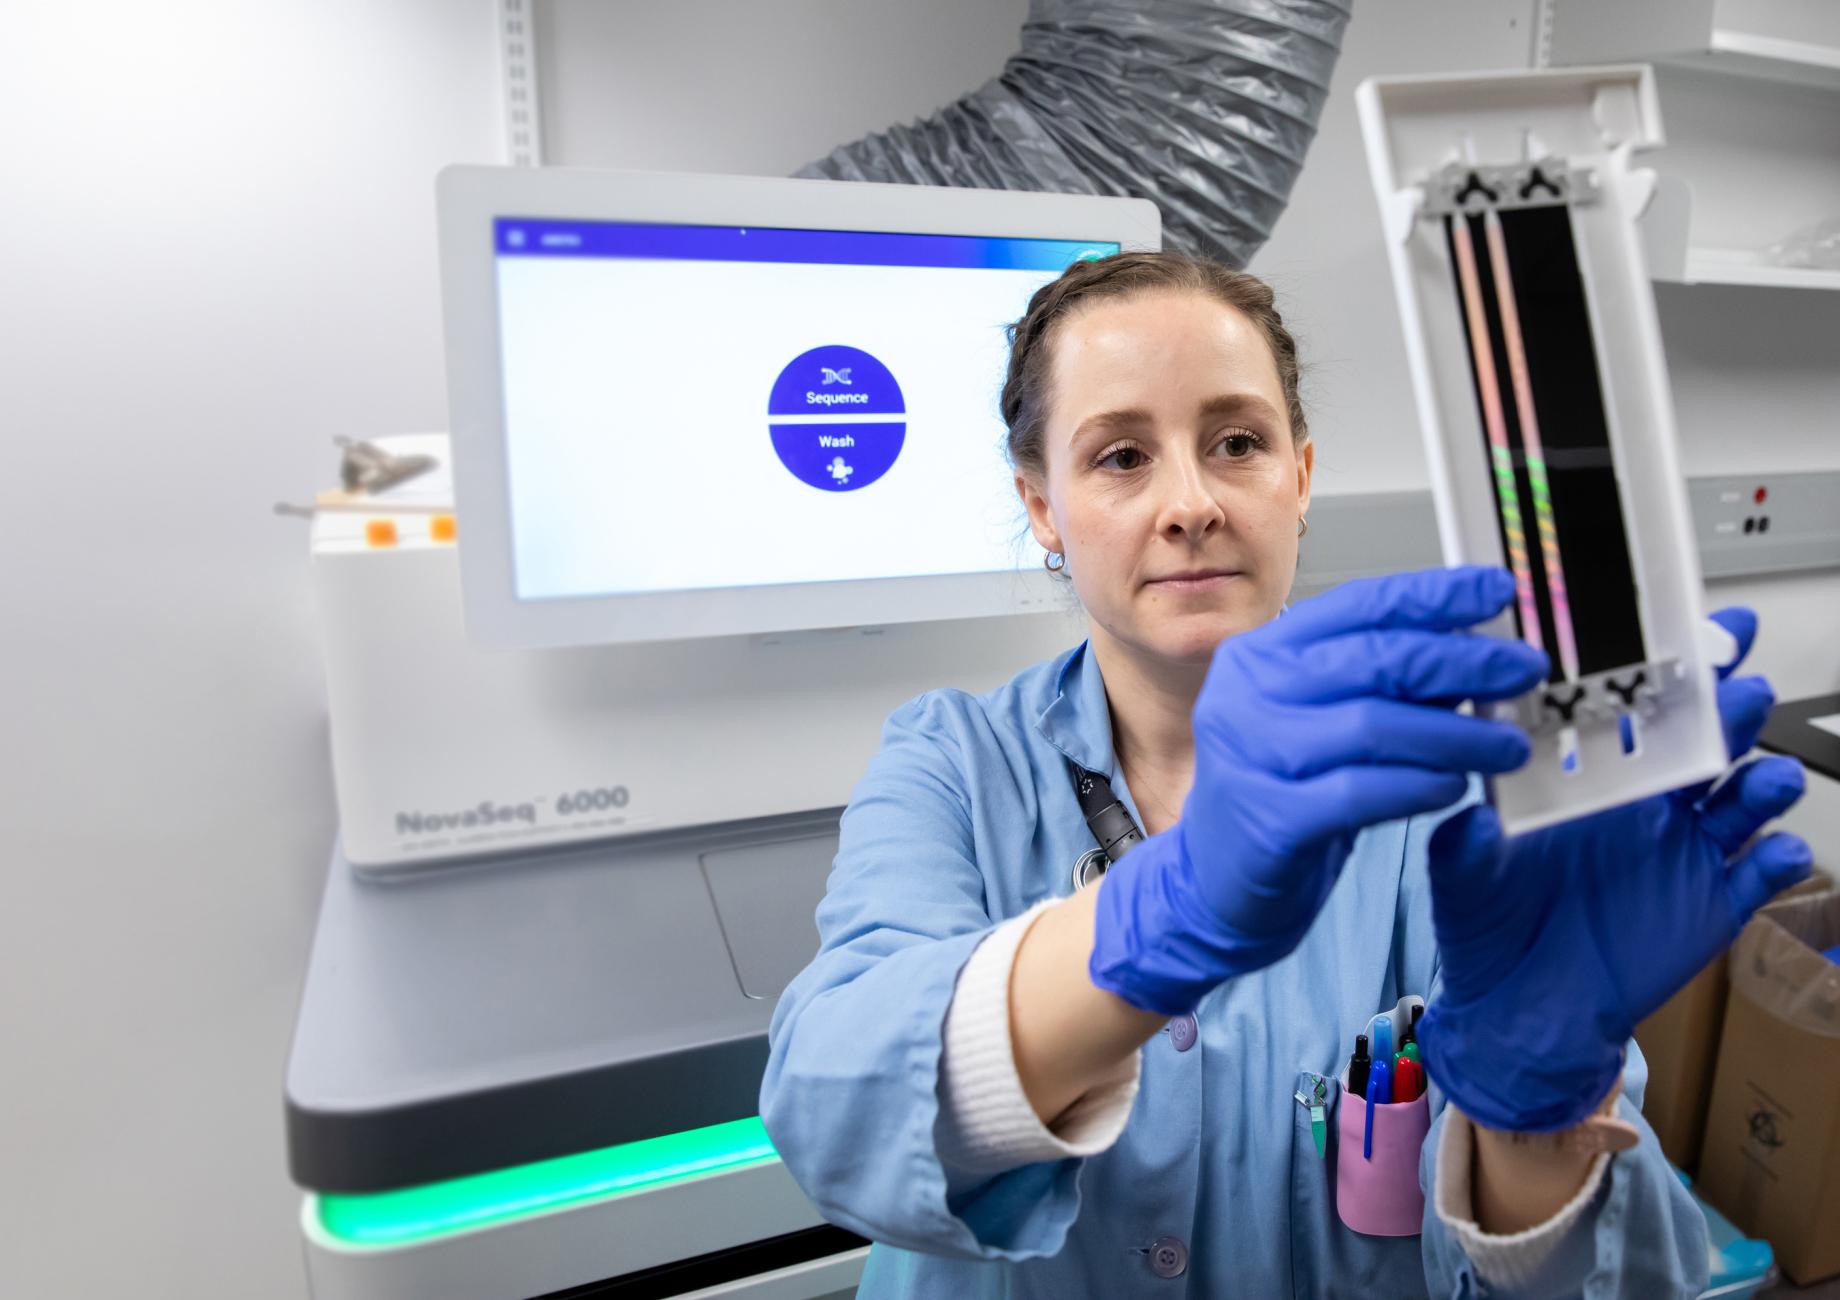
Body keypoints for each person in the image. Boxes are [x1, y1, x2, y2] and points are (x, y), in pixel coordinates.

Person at [760, 252, 1811, 1296]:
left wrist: (1526, 1114)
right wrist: (1152, 920)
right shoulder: (949, 759)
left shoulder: (1454, 792)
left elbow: (1620, 1281)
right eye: (1120, 456)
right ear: (1042, 506)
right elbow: (829, 1104)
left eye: (1236, 443)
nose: (1190, 503)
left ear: (1298, 477)